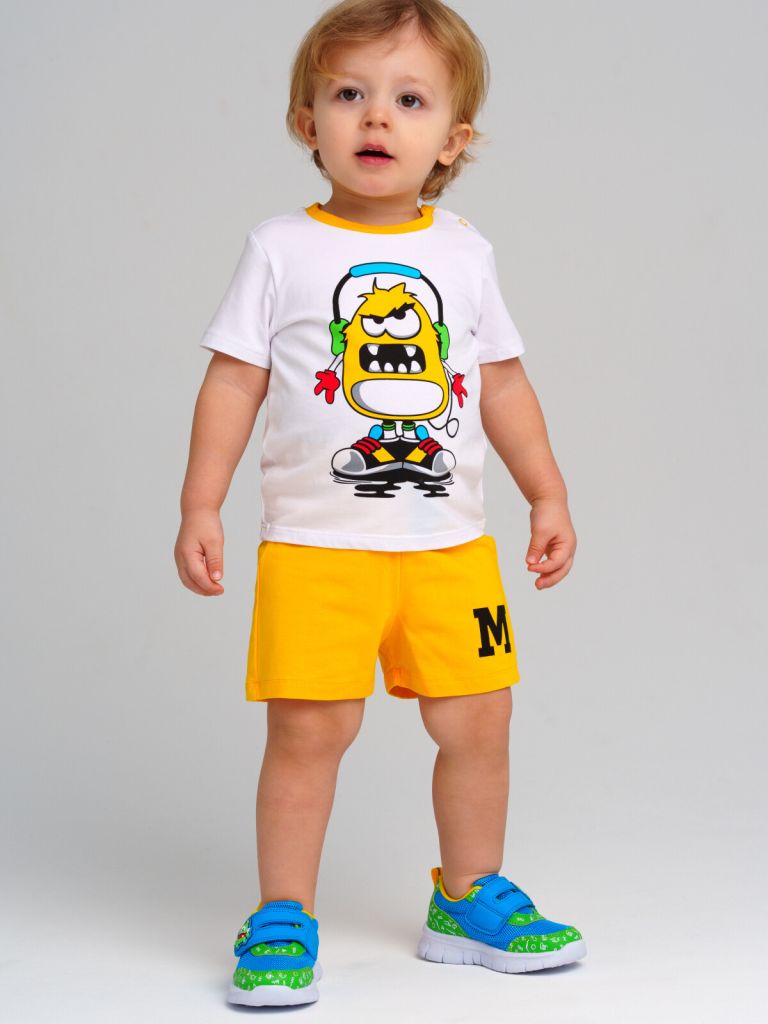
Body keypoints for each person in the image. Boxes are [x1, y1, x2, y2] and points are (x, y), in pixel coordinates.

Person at [175, 0, 584, 1008]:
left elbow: (502, 383)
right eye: (349, 93)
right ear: (306, 120)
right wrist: (201, 503)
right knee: (309, 731)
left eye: (409, 100)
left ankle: (469, 895)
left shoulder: (466, 251)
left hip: (450, 549)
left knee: (480, 720)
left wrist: (547, 491)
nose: (374, 117)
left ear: (452, 140)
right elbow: (234, 380)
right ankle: (282, 913)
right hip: (316, 550)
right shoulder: (280, 247)